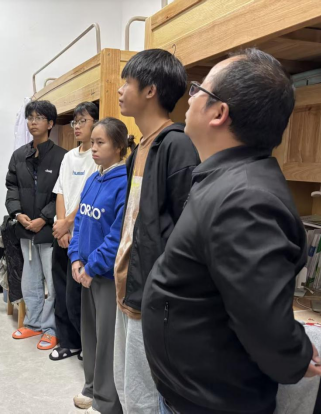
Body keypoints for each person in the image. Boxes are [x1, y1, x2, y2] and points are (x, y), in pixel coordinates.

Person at [142, 48, 321, 415]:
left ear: (219, 113)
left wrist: (294, 356)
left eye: (198, 90)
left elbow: (263, 320)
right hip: (194, 392)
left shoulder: (247, 200)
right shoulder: (227, 178)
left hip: (212, 402)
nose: (190, 98)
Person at [113, 49, 200, 414]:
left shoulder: (176, 145)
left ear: (150, 90)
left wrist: (162, 292)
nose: (120, 90)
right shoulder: (140, 148)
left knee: (146, 398)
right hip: (128, 285)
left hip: (152, 295)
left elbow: (188, 229)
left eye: (127, 82)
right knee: (127, 386)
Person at [69, 118, 129, 415]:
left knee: (107, 340)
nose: (92, 148)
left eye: (100, 143)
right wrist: (76, 258)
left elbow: (117, 236)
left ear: (118, 146)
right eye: (92, 142)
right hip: (86, 273)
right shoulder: (94, 179)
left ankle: (107, 402)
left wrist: (92, 267)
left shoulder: (124, 183)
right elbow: (80, 220)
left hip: (104, 275)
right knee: (90, 334)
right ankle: (92, 387)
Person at [6, 100, 67, 351]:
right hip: (25, 228)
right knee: (30, 280)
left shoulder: (62, 156)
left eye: (39, 118)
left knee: (52, 281)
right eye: (30, 118)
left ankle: (51, 328)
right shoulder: (19, 155)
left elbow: (62, 194)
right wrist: (17, 213)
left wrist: (44, 217)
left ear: (50, 123)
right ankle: (33, 323)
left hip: (50, 230)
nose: (33, 122)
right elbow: (12, 187)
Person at [50, 102, 99, 363]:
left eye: (83, 121)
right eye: (75, 122)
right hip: (63, 232)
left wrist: (69, 224)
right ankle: (68, 343)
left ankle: (86, 346)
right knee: (60, 291)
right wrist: (61, 227)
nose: (77, 127)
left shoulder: (98, 157)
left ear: (96, 123)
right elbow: (61, 191)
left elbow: (88, 197)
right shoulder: (69, 157)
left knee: (75, 297)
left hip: (80, 235)